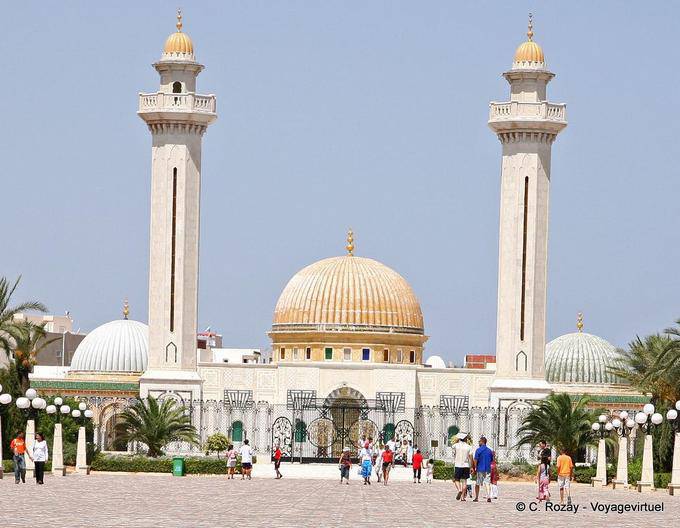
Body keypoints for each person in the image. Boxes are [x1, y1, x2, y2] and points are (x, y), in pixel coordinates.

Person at [452, 432, 473, 501]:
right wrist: (472, 467)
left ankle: (459, 490)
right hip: (466, 465)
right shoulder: (469, 447)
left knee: (456, 479)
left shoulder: (455, 446)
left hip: (458, 465)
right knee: (464, 481)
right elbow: (470, 457)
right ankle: (463, 497)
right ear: (465, 438)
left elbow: (454, 454)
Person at [473, 436, 493, 502]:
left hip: (480, 469)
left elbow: (475, 460)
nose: (479, 442)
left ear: (482, 442)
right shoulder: (489, 451)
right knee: (487, 483)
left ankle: (476, 497)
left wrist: (475, 467)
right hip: (487, 469)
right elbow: (491, 460)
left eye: (479, 441)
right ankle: (488, 496)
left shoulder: (478, 450)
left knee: (478, 483)